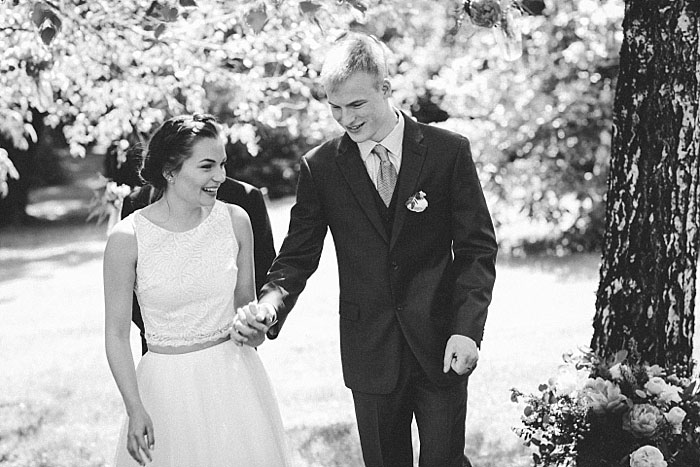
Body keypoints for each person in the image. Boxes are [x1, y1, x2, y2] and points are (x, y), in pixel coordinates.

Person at [234, 33, 498, 467]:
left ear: (386, 89)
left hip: (441, 342)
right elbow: (297, 256)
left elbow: (476, 249)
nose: (345, 119)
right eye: (334, 107)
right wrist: (269, 307)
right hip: (370, 350)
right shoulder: (320, 168)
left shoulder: (447, 152)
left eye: (355, 105)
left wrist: (467, 328)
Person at [104, 114, 290, 467]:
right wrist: (134, 408)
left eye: (222, 164)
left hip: (236, 382)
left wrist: (254, 330)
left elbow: (245, 307)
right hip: (165, 390)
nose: (220, 176)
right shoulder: (126, 239)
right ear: (170, 171)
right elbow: (115, 334)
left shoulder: (236, 220)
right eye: (207, 166)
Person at [121, 172, 276, 355]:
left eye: (221, 164)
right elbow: (128, 293)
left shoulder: (245, 200)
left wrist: (255, 321)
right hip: (163, 354)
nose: (219, 175)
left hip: (233, 351)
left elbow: (261, 277)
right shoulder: (135, 206)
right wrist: (170, 333)